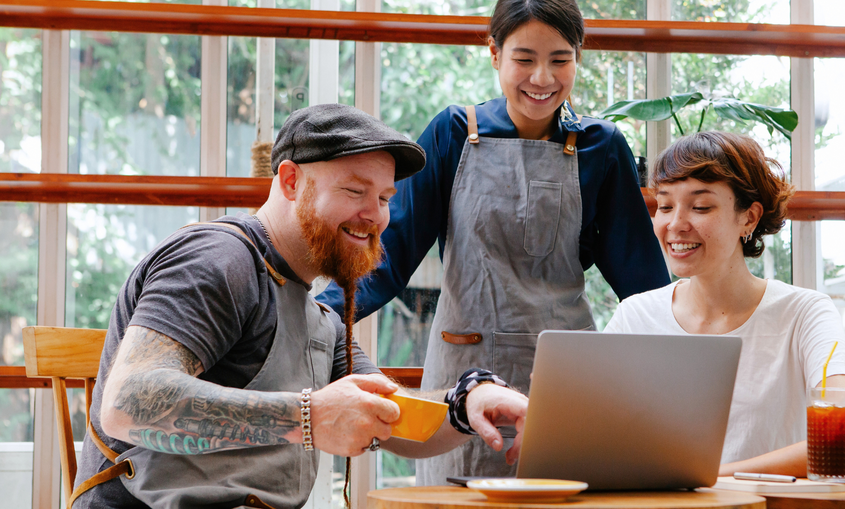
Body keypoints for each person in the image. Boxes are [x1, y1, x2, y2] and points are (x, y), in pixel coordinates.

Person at [73, 104, 529, 509]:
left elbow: (394, 415)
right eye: (355, 191)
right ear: (291, 181)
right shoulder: (218, 260)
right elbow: (128, 403)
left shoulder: (319, 319)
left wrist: (466, 401)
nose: (376, 216)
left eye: (386, 198)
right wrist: (311, 416)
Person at [317, 0, 670, 484]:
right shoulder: (453, 133)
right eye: (524, 58)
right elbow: (388, 258)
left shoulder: (602, 147)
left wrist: (693, 363)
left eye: (560, 59)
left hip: (566, 381)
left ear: (578, 57)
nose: (542, 78)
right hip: (463, 383)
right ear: (494, 54)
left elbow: (644, 287)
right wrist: (317, 313)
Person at [604, 131, 845, 478]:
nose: (675, 224)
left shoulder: (804, 314)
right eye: (664, 206)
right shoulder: (635, 316)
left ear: (749, 218)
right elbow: (594, 436)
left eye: (701, 206)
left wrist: (707, 478)